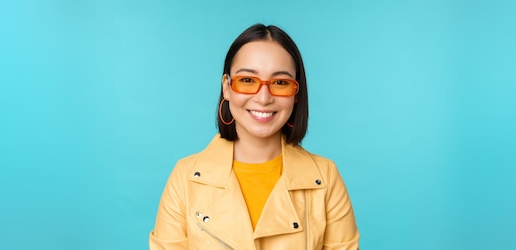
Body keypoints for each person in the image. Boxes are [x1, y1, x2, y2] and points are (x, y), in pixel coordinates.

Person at [149, 23, 359, 249]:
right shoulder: (185, 178)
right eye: (247, 80)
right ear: (227, 88)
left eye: (280, 82)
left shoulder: (325, 177)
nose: (264, 97)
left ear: (296, 94)